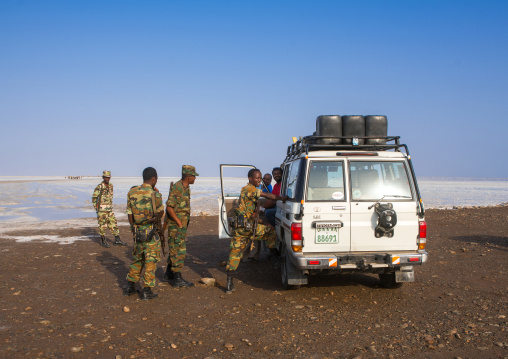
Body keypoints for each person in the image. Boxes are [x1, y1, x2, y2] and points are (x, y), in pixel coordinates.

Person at [226, 168, 287, 294]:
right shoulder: (250, 189)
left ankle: (229, 283)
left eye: (260, 178)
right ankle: (275, 258)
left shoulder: (247, 192)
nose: (259, 180)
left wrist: (265, 223)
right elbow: (268, 195)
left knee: (235, 254)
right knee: (271, 233)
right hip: (245, 229)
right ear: (250, 179)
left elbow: (254, 216)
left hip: (244, 228)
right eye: (257, 178)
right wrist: (282, 198)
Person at [124, 167, 164, 300]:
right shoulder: (155, 195)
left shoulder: (132, 192)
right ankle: (147, 290)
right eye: (156, 180)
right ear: (153, 179)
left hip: (137, 232)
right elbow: (160, 213)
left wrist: (134, 227)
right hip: (150, 234)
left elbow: (130, 214)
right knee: (151, 260)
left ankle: (130, 286)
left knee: (137, 259)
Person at [162, 165, 198, 288]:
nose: (195, 178)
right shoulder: (178, 188)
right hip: (176, 227)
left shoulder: (185, 188)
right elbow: (169, 207)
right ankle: (177, 279)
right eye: (193, 176)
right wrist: (178, 222)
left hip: (181, 226)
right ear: (188, 177)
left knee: (174, 249)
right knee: (179, 251)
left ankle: (169, 274)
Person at [91, 170, 126, 247]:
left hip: (109, 209)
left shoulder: (111, 186)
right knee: (102, 226)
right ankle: (103, 241)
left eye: (109, 177)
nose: (107, 179)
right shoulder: (99, 187)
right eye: (106, 177)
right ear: (103, 177)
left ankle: (117, 240)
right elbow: (94, 198)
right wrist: (97, 208)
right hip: (102, 210)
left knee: (113, 223)